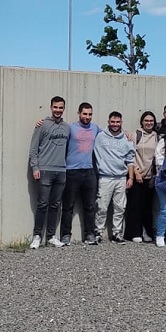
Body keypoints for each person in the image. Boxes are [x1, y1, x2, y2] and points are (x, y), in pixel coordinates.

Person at [28, 96, 70, 249]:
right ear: (51, 107)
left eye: (61, 108)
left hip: (61, 171)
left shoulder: (67, 127)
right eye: (55, 107)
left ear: (64, 109)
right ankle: (37, 236)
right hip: (45, 170)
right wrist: (35, 167)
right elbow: (33, 148)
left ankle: (51, 236)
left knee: (55, 205)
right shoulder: (42, 125)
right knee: (42, 204)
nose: (58, 110)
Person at [58, 102, 100, 246]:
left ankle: (89, 234)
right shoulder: (71, 128)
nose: (87, 117)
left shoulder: (95, 129)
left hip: (89, 172)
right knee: (68, 206)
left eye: (90, 114)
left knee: (90, 206)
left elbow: (110, 135)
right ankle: (65, 235)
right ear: (79, 113)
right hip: (71, 172)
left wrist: (126, 134)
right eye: (85, 114)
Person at [93, 111, 136, 243]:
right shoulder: (100, 136)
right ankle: (98, 233)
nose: (115, 124)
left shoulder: (126, 139)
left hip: (121, 178)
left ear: (121, 123)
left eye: (118, 122)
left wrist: (131, 177)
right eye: (113, 122)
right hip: (105, 177)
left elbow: (130, 159)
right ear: (108, 122)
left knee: (120, 207)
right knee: (102, 207)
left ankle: (117, 234)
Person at [126, 111, 158, 243]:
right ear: (142, 122)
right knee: (135, 205)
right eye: (146, 121)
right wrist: (136, 172)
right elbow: (130, 154)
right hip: (137, 174)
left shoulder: (157, 136)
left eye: (151, 121)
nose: (149, 123)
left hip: (150, 177)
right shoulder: (135, 135)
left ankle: (146, 231)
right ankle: (134, 233)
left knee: (147, 206)